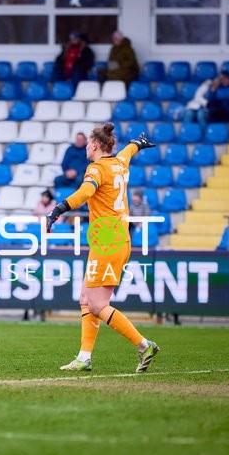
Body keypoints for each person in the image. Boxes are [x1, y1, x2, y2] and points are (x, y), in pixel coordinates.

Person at [44, 127, 160, 373]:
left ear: (96, 145)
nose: (86, 147)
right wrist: (137, 143)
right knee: (86, 299)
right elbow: (129, 151)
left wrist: (58, 209)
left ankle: (144, 345)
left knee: (97, 305)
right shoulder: (119, 162)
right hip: (113, 238)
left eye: (88, 143)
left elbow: (86, 192)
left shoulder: (96, 169)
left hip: (109, 240)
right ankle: (84, 357)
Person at [206, 71, 229, 141]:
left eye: (224, 78)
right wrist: (213, 90)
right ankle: (212, 132)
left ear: (228, 78)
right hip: (221, 111)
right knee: (211, 110)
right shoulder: (218, 88)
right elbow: (210, 100)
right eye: (221, 79)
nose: (222, 80)